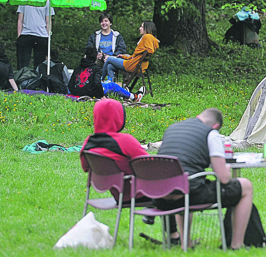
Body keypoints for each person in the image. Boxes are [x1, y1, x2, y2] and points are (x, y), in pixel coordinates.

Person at [155, 108, 254, 250]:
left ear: (198, 116)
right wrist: (226, 169)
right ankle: (236, 245)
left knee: (182, 183)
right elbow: (224, 179)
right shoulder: (211, 134)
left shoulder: (172, 128)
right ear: (215, 126)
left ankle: (186, 244)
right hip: (189, 195)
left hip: (160, 197)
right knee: (246, 185)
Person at [81, 98, 148, 200]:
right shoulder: (125, 141)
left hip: (118, 195)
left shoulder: (89, 142)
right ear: (119, 117)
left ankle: (148, 216)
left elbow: (85, 168)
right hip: (141, 192)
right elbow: (150, 165)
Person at [103, 21, 159, 87]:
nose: (139, 28)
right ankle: (111, 85)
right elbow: (136, 56)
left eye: (141, 27)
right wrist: (124, 56)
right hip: (139, 65)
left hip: (133, 65)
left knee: (109, 58)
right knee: (110, 66)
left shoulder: (147, 37)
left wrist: (140, 51)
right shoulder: (151, 38)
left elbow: (150, 50)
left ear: (146, 28)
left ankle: (100, 79)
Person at [85, 13, 128, 82]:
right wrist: (95, 54)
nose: (103, 23)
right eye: (102, 21)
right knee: (88, 60)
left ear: (110, 23)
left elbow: (122, 49)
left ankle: (114, 84)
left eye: (106, 21)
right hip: (100, 59)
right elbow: (88, 48)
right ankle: (90, 82)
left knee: (125, 59)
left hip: (113, 58)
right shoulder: (95, 35)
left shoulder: (116, 35)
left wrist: (112, 56)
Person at [16, 4, 54, 69]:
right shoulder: (24, 0)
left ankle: (39, 78)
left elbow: (48, 22)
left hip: (42, 35)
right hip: (26, 34)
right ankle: (22, 78)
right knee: (22, 63)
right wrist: (19, 35)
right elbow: (20, 20)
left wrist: (48, 36)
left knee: (40, 64)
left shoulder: (47, 2)